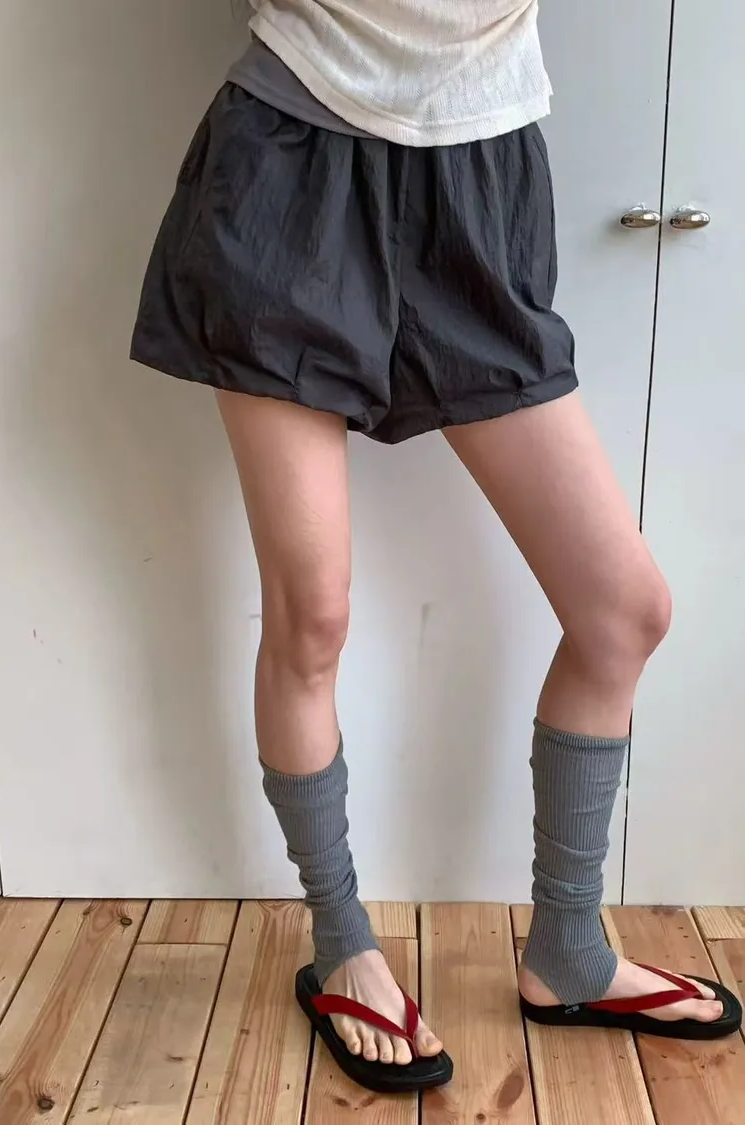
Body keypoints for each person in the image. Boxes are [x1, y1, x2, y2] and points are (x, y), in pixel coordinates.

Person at [131, 0, 741, 1095]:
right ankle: (340, 942)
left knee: (622, 611)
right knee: (312, 616)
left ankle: (569, 950)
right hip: (292, 161)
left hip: (480, 171)